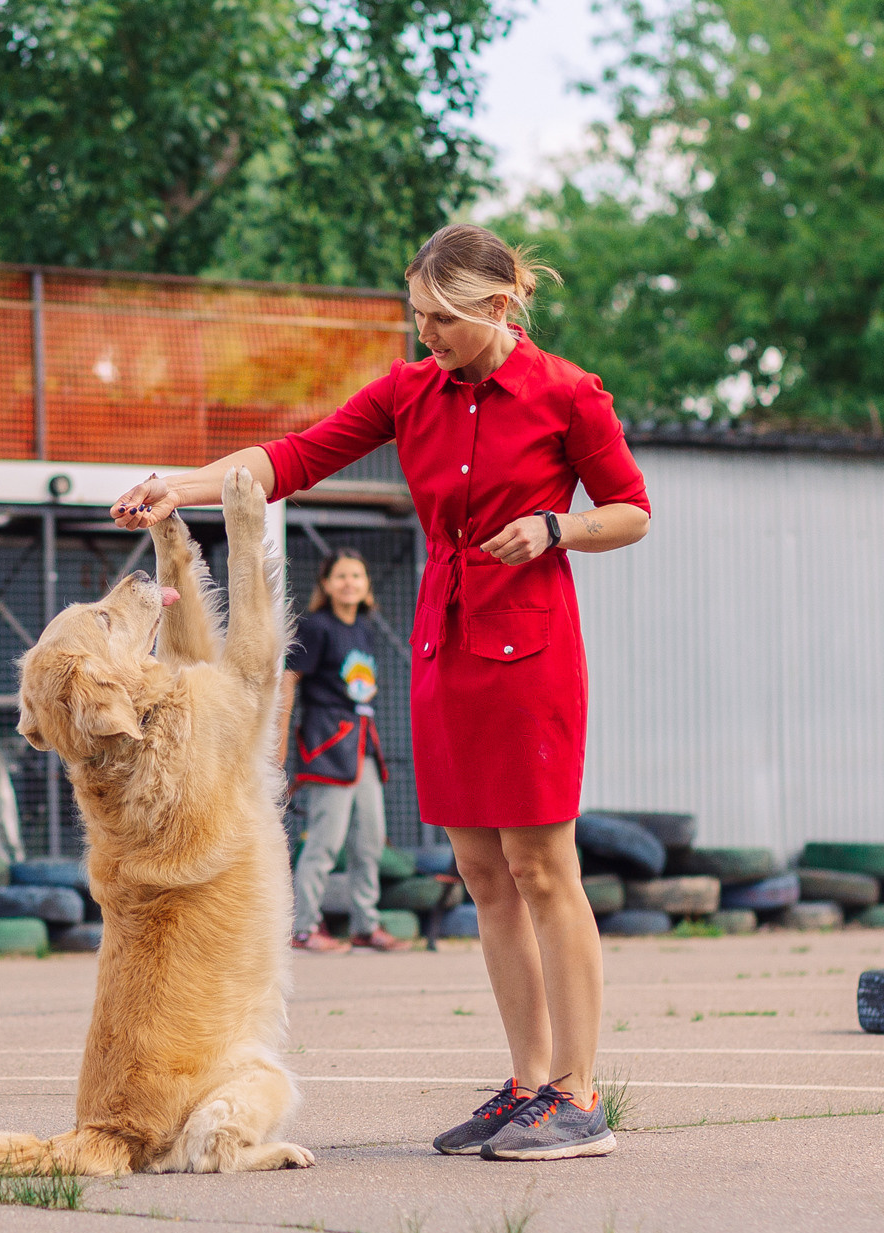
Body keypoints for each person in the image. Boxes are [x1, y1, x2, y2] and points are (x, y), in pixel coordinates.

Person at [111, 223, 650, 1162]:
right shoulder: (409, 392)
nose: (424, 335)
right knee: (482, 871)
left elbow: (632, 509)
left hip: (531, 655)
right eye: (417, 317)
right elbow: (291, 458)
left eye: (441, 318)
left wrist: (556, 529)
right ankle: (528, 1086)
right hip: (444, 650)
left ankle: (579, 1095)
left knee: (542, 867)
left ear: (498, 306)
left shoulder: (569, 393)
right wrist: (180, 486)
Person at [279, 550, 408, 954]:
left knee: (369, 839)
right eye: (341, 576)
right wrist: (280, 741)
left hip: (363, 746)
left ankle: (365, 925)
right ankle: (303, 927)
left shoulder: (364, 628)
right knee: (324, 841)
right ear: (326, 584)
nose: (349, 582)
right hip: (329, 745)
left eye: (357, 575)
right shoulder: (317, 626)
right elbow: (289, 677)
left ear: (367, 585)